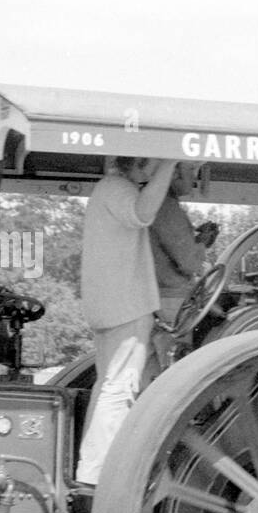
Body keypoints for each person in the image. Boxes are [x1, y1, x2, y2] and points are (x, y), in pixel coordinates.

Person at [74, 156, 178, 487]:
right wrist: (170, 165)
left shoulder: (105, 190)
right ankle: (97, 476)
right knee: (120, 389)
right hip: (126, 306)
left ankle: (92, 470)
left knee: (107, 386)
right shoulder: (116, 188)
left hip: (111, 305)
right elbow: (142, 213)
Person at [150, 162, 219, 322]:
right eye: (191, 169)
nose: (194, 178)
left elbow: (173, 252)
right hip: (172, 300)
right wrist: (201, 243)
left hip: (162, 296)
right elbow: (189, 264)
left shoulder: (159, 202)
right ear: (174, 173)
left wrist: (199, 241)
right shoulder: (168, 208)